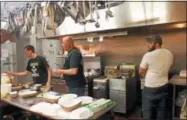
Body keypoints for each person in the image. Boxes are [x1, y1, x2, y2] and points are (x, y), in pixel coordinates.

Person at [139, 35, 173, 120]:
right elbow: (170, 66)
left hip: (150, 89)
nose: (147, 45)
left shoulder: (148, 55)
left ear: (157, 44)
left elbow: (141, 72)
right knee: (161, 111)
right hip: (164, 87)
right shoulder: (169, 53)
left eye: (150, 43)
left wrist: (147, 76)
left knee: (147, 112)